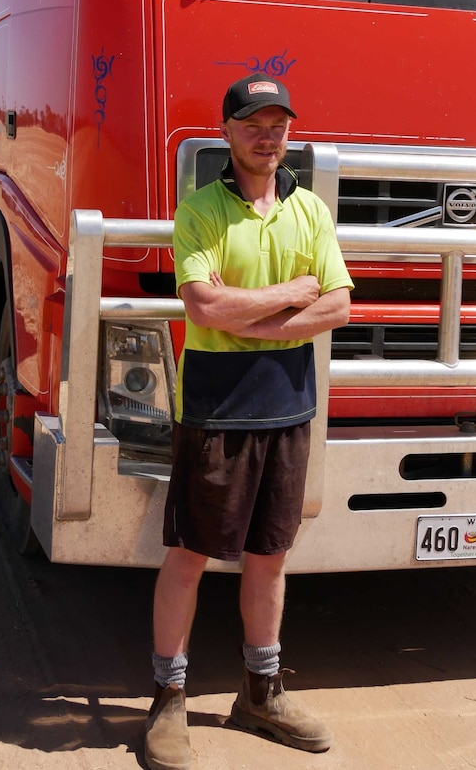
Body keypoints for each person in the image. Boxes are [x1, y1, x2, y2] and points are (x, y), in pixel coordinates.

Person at [144, 73, 353, 770]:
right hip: (218, 406)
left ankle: (260, 693)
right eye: (253, 124)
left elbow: (340, 307)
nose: (268, 137)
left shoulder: (311, 211)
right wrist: (290, 302)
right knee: (190, 556)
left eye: (278, 125)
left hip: (289, 405)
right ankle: (167, 698)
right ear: (228, 131)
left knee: (270, 559)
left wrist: (253, 313)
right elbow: (203, 307)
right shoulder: (199, 210)